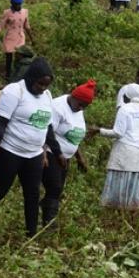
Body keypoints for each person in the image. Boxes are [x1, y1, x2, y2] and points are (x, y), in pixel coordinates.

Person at [0, 58, 60, 238]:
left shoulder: (47, 96)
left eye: (46, 85)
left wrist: (51, 151)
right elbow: (1, 120)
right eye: (40, 84)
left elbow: (47, 127)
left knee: (32, 195)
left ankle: (30, 235)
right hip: (11, 150)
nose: (42, 88)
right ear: (31, 77)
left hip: (34, 154)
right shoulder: (15, 91)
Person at [40, 80, 95, 226]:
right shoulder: (58, 107)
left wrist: (80, 157)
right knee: (54, 187)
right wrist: (53, 154)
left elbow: (73, 135)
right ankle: (49, 223)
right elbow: (47, 132)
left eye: (85, 106)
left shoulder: (78, 109)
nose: (81, 108)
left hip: (66, 156)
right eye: (80, 104)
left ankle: (46, 211)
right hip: (52, 153)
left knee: (58, 189)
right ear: (74, 96)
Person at [94, 83, 139, 211]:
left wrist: (99, 130)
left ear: (126, 96)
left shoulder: (124, 109)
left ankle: (115, 212)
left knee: (119, 183)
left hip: (124, 153)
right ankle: (130, 213)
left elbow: (118, 133)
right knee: (133, 185)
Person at [0, 0, 33, 81]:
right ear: (12, 3)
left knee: (20, 56)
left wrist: (32, 38)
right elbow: (0, 25)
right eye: (16, 4)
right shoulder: (7, 13)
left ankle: (18, 74)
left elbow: (27, 26)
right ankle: (8, 74)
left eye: (19, 4)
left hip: (20, 37)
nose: (18, 6)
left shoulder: (25, 12)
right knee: (9, 57)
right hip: (10, 37)